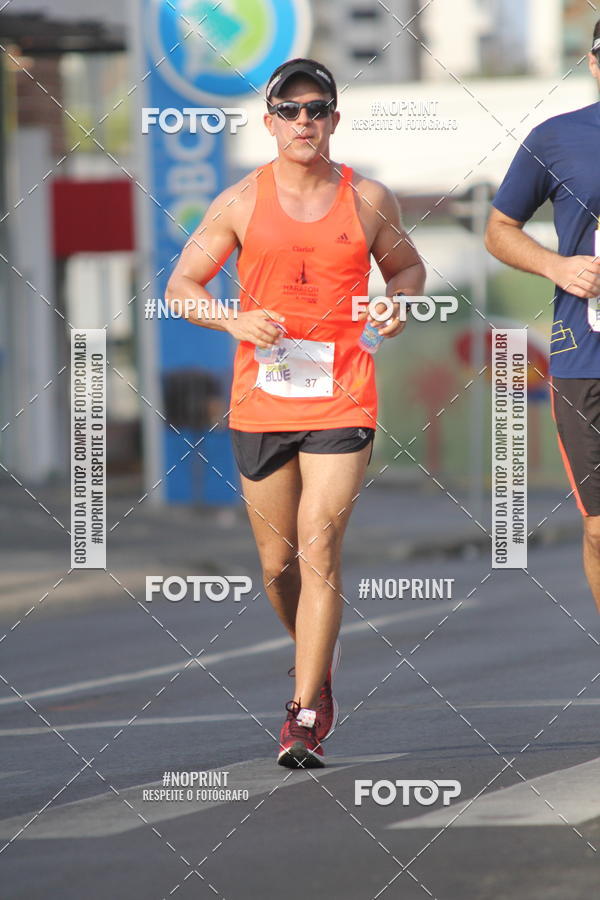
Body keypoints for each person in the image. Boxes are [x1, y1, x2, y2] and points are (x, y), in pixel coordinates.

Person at [166, 58, 426, 767]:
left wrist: (394, 301)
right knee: (278, 565)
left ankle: (304, 711)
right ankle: (317, 657)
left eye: (317, 110)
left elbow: (406, 267)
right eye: (290, 110)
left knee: (319, 546)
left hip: (344, 393)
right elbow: (182, 285)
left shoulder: (368, 197)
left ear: (334, 120)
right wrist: (231, 321)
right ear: (270, 122)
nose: (304, 122)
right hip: (262, 400)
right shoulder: (240, 202)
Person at [485, 22, 600, 614]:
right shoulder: (556, 138)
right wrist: (557, 267)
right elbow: (499, 230)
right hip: (586, 354)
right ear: (593, 61)